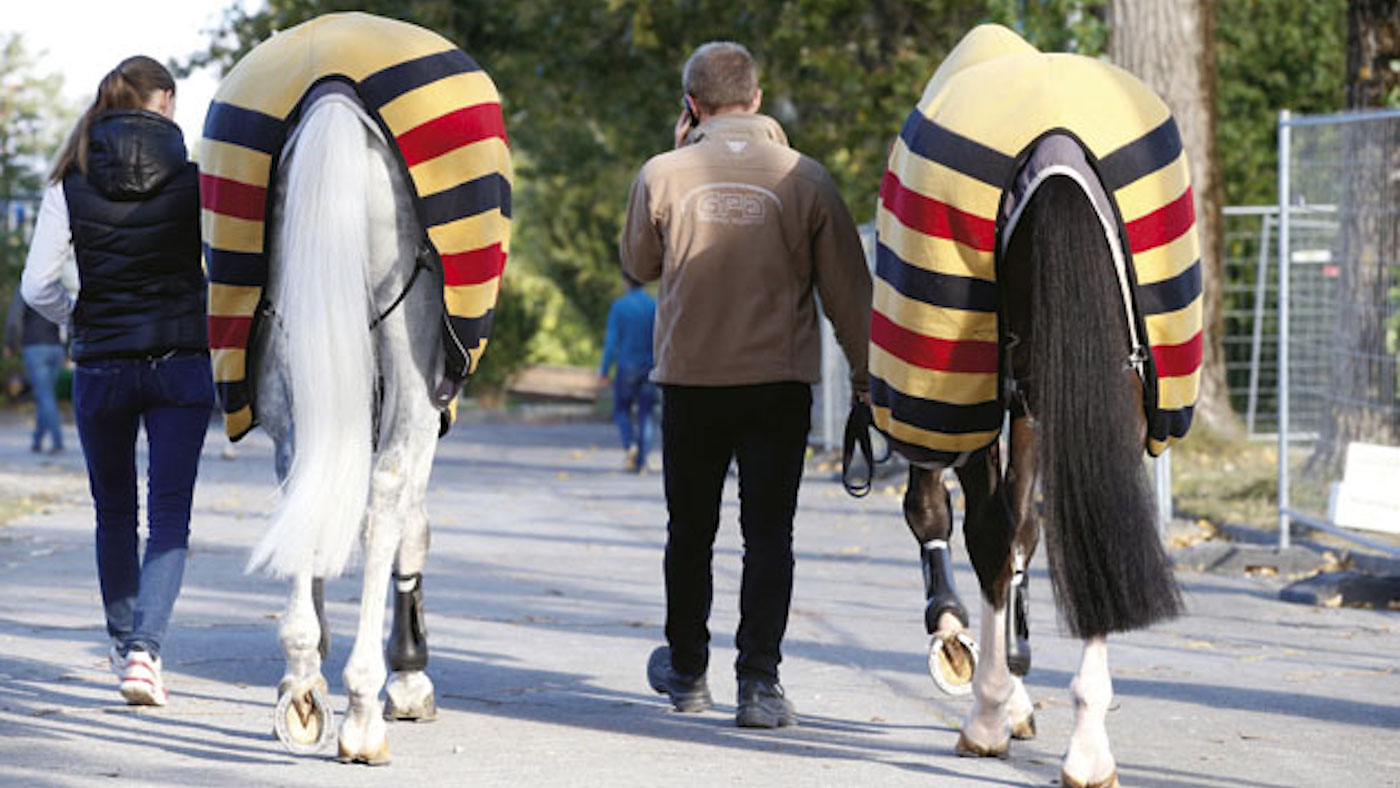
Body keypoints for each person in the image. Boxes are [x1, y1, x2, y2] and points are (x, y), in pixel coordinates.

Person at [621, 41, 872, 728]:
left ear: (691, 105)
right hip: (777, 384)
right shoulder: (807, 179)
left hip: (693, 383)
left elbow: (638, 263)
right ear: (756, 99)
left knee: (690, 532)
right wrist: (865, 379)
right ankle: (759, 683)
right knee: (768, 536)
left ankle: (687, 669)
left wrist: (676, 152)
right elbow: (849, 296)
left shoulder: (663, 172)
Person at [21, 56, 210, 707]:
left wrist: (80, 318)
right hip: (181, 363)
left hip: (102, 365)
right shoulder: (196, 181)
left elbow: (37, 285)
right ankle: (144, 653)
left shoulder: (67, 179)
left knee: (113, 513)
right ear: (163, 101)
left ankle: (123, 640)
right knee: (168, 518)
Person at [599, 273, 658, 472]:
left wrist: (605, 370)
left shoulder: (620, 306)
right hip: (650, 366)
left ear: (626, 281)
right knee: (645, 414)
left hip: (627, 366)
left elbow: (611, 342)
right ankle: (642, 461)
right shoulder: (653, 306)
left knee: (621, 409)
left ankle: (630, 443)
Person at [4, 291, 66, 453]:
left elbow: (14, 319)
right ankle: (37, 440)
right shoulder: (55, 286)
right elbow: (68, 316)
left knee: (45, 396)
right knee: (44, 396)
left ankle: (57, 441)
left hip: (35, 348)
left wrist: (10, 344)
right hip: (56, 348)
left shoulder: (25, 287)